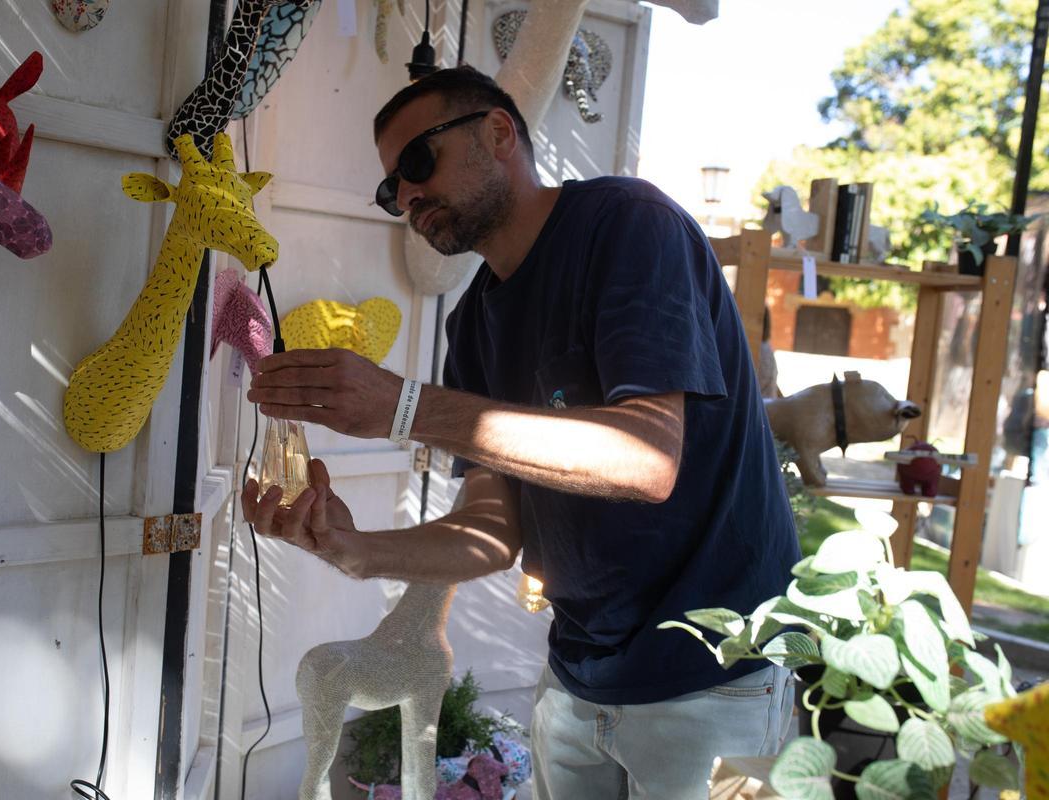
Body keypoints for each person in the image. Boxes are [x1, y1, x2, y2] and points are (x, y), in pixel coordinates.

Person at [241, 66, 800, 799]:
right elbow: (490, 531)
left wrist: (404, 406)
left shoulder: (630, 227)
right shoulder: (473, 323)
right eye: (391, 191)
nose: (407, 197)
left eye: (417, 164)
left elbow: (646, 458)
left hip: (716, 682)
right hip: (577, 683)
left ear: (498, 132)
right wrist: (356, 552)